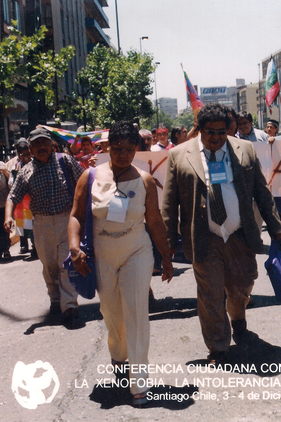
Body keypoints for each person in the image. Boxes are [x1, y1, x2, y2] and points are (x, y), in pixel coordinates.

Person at [161, 103, 281, 364]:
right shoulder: (179, 155)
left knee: (243, 285)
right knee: (211, 294)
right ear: (199, 130)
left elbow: (262, 191)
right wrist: (168, 243)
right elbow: (169, 202)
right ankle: (218, 346)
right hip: (205, 237)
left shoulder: (245, 150)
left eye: (221, 131)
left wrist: (275, 227)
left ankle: (238, 319)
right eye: (210, 132)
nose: (216, 137)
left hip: (240, 234)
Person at [69, 121, 173, 407]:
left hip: (136, 251)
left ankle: (139, 383)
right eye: (117, 149)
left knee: (137, 311)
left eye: (129, 149)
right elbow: (76, 215)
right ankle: (118, 355)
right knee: (112, 313)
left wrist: (165, 256)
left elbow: (154, 221)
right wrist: (74, 247)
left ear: (137, 148)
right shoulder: (89, 176)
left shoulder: (144, 180)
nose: (123, 154)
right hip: (102, 253)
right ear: (107, 148)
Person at [5, 127, 85, 328]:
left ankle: (70, 307)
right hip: (41, 224)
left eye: (44, 143)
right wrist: (8, 216)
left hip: (67, 220)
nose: (41, 147)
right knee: (49, 265)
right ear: (30, 149)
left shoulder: (64, 161)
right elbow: (13, 196)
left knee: (66, 263)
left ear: (51, 144)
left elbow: (83, 181)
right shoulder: (25, 172)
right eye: (37, 144)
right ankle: (55, 298)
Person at [7, 140, 36, 256]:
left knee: (33, 224)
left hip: (33, 200)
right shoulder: (15, 166)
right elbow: (10, 183)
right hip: (21, 202)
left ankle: (35, 246)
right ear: (19, 155)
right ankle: (24, 245)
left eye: (28, 154)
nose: (25, 157)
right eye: (22, 155)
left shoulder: (35, 164)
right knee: (22, 223)